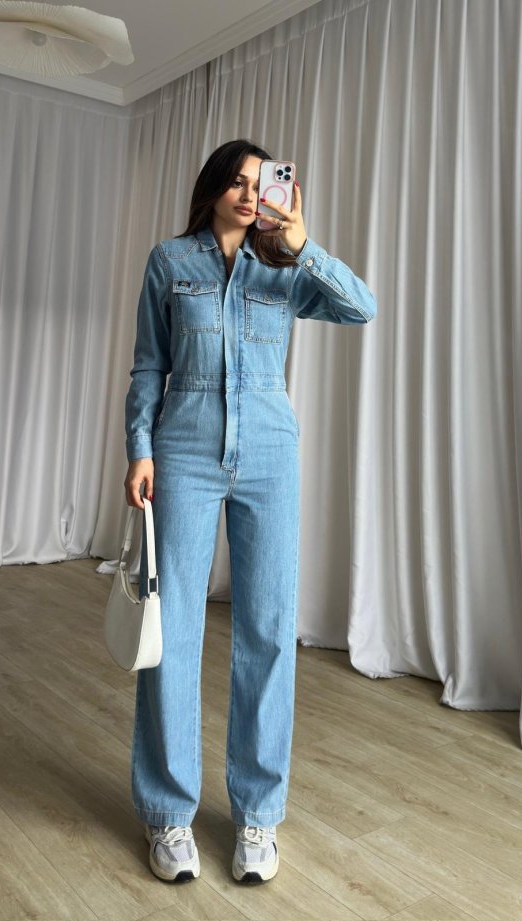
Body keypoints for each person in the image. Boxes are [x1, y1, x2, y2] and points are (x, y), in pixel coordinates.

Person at [123, 139, 376, 884]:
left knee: (267, 628)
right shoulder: (171, 262)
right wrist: (139, 448)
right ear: (212, 188)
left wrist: (301, 243)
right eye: (236, 181)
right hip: (185, 447)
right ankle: (168, 812)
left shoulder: (283, 266)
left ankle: (258, 815)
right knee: (172, 630)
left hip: (268, 451)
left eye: (261, 184)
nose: (247, 193)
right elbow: (149, 364)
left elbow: (360, 307)